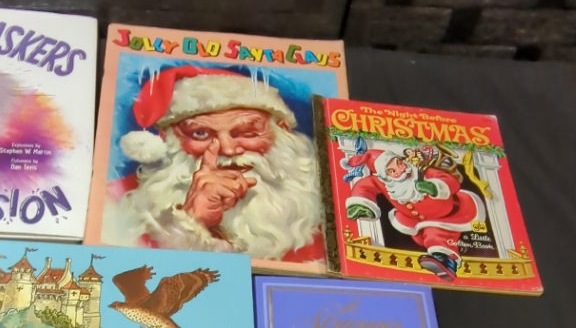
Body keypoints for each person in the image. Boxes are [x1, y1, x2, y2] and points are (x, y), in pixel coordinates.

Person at [103, 66, 324, 264]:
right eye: (200, 134)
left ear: (282, 130)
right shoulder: (113, 204)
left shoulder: (328, 200)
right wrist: (190, 222)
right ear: (168, 139)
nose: (227, 150)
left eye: (247, 132)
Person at [343, 146, 485, 281]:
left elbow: (449, 180)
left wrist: (434, 187)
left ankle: (446, 262)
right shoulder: (382, 182)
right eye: (392, 171)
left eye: (399, 163)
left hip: (445, 215)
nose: (401, 170)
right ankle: (445, 252)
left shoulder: (421, 170)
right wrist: (360, 204)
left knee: (435, 234)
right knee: (423, 238)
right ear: (384, 176)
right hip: (414, 220)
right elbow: (364, 186)